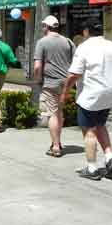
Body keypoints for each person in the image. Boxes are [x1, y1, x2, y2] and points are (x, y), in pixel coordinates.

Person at [62, 19, 112, 180]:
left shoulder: (84, 47)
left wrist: (65, 92)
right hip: (108, 95)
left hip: (89, 96)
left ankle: (92, 168)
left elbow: (74, 74)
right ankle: (110, 157)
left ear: (86, 31)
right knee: (100, 126)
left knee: (89, 131)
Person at [34, 16, 75, 158]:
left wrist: (37, 80)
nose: (42, 28)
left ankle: (56, 146)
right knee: (59, 112)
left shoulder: (42, 42)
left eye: (43, 26)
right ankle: (58, 141)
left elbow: (37, 66)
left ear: (46, 26)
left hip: (50, 83)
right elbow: (75, 63)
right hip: (66, 82)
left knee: (52, 113)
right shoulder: (68, 42)